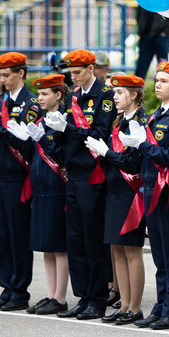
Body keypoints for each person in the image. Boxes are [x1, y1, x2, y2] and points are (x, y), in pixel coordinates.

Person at [45, 49, 116, 321]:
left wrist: (68, 130)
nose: (73, 77)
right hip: (73, 171)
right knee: (74, 238)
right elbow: (69, 134)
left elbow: (99, 133)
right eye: (71, 73)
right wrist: (55, 132)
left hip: (92, 173)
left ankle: (97, 298)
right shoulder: (75, 96)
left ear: (90, 68)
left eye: (77, 72)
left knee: (91, 237)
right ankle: (82, 295)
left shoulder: (104, 96)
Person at [120, 61, 169, 329]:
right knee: (159, 255)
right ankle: (161, 305)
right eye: (157, 80)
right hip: (151, 189)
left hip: (168, 192)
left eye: (163, 81)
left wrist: (145, 146)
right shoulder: (155, 116)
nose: (158, 85)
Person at [0, 52, 40, 311]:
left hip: (17, 177)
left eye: (6, 75)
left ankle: (19, 291)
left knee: (17, 236)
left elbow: (21, 139)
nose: (1, 80)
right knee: (1, 236)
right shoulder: (4, 102)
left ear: (20, 73)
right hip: (0, 176)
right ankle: (6, 287)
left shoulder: (30, 104)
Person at [84, 75, 147, 326]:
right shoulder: (119, 120)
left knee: (131, 249)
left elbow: (133, 162)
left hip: (131, 191)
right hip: (115, 189)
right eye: (114, 93)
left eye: (120, 92)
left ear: (133, 95)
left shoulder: (140, 121)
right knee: (116, 248)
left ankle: (135, 307)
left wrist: (107, 153)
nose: (115, 97)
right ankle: (123, 305)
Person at [9, 75, 69, 316]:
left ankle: (61, 297)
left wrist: (42, 137)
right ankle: (50, 294)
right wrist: (25, 140)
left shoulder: (62, 120)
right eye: (39, 94)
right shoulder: (43, 120)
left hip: (57, 189)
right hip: (41, 189)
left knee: (59, 245)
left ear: (58, 95)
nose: (40, 98)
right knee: (45, 245)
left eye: (45, 94)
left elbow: (62, 155)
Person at [134, 6, 169, 80]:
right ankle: (138, 86)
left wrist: (166, 32)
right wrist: (141, 30)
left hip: (162, 35)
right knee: (142, 63)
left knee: (162, 64)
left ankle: (164, 85)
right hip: (146, 34)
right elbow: (139, 15)